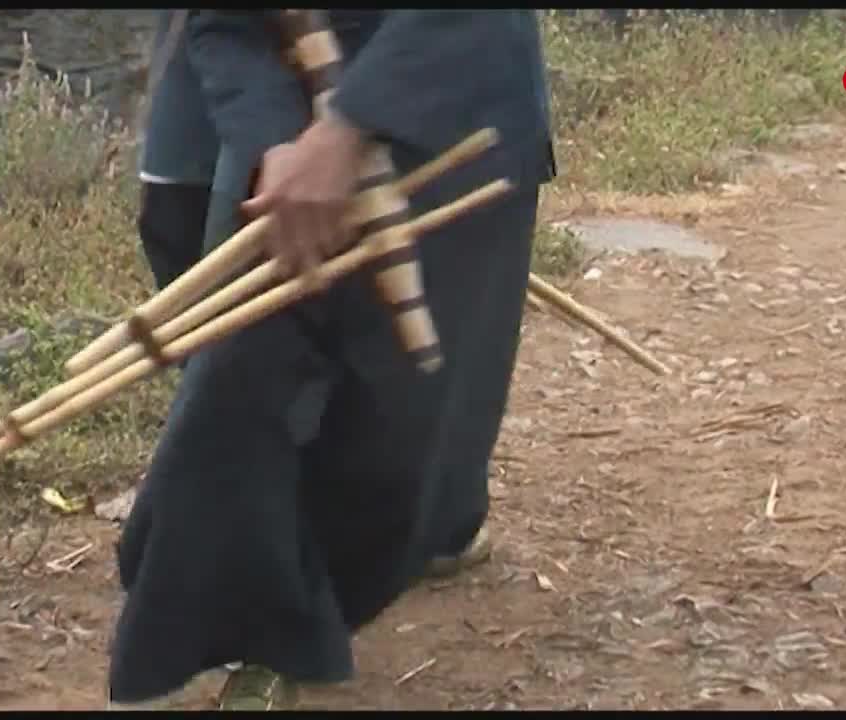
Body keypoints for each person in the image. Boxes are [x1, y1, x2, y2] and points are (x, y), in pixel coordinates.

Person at [110, 9, 555, 710]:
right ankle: (261, 634)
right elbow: (223, 19)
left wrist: (350, 125)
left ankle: (440, 520)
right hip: (286, 101)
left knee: (407, 420)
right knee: (239, 382)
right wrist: (270, 142)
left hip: (455, 89)